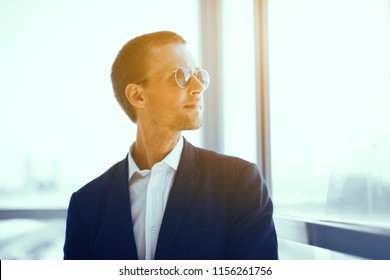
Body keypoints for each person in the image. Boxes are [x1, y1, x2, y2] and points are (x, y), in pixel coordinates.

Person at [63, 31, 278, 260]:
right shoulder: (86, 205)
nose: (198, 87)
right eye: (181, 76)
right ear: (137, 96)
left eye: (199, 75)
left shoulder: (240, 183)